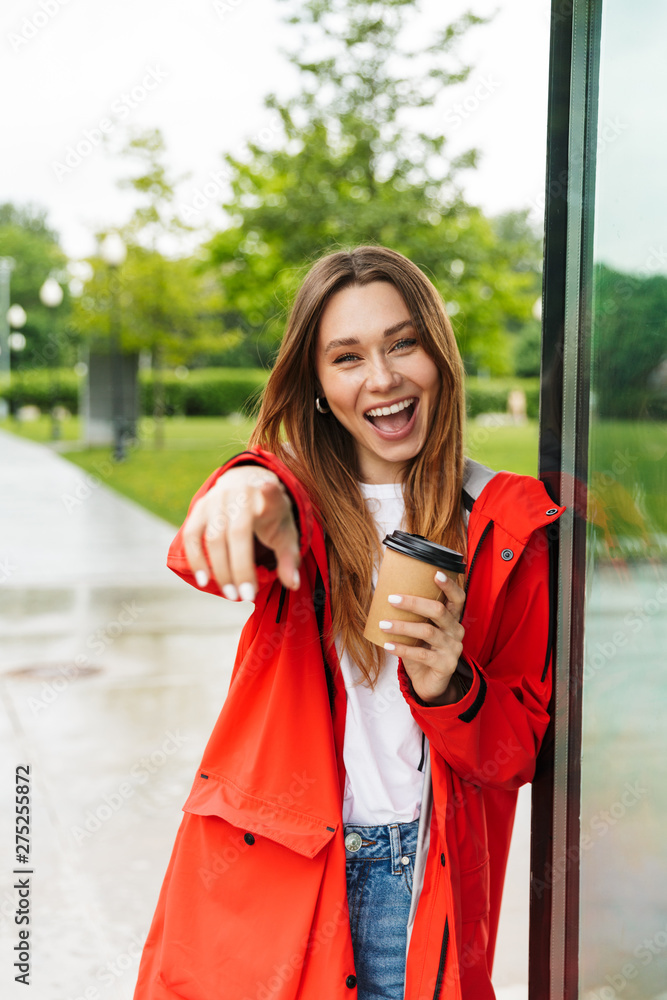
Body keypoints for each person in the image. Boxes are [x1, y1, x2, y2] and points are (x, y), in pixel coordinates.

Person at [132, 245, 564, 1000]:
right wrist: (244, 484)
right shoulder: (293, 505)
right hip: (279, 869)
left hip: (419, 881)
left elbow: (514, 753)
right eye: (346, 357)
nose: (383, 378)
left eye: (403, 343)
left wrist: (447, 684)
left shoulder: (503, 524)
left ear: (438, 353)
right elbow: (214, 546)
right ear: (319, 387)